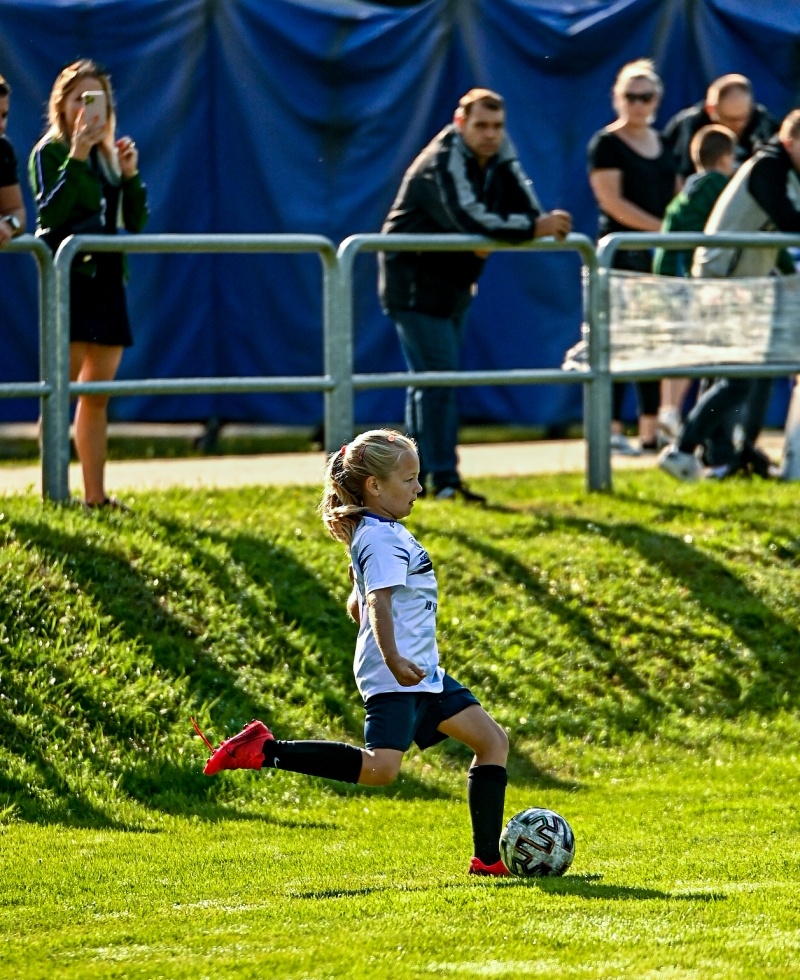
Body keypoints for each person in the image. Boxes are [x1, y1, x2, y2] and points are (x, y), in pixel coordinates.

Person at [195, 428, 514, 877]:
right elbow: (380, 603)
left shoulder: (378, 532)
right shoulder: (381, 537)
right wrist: (392, 658)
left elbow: (365, 600)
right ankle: (265, 750)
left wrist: (361, 597)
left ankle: (487, 861)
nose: (419, 488)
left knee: (492, 742)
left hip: (423, 672)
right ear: (375, 486)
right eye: (409, 480)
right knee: (381, 770)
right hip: (397, 674)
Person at [379, 88, 571, 501]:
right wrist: (522, 230)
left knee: (431, 385)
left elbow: (527, 208)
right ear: (460, 122)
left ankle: (420, 481)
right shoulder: (442, 159)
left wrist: (510, 227)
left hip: (455, 283)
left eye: (498, 127)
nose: (490, 135)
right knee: (440, 382)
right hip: (415, 283)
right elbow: (467, 218)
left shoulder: (499, 155)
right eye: (481, 125)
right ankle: (443, 480)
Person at [30, 59, 149, 508]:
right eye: (80, 99)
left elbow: (133, 222)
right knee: (60, 393)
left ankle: (95, 497)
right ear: (61, 106)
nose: (89, 109)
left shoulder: (108, 153)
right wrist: (77, 153)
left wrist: (130, 176)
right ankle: (54, 494)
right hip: (70, 280)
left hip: (107, 283)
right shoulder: (51, 152)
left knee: (96, 398)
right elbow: (51, 215)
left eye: (96, 99)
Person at [659, 110, 800, 483]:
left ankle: (720, 455)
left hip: (743, 281)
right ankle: (682, 450)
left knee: (735, 376)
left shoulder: (784, 168)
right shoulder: (769, 167)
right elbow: (789, 219)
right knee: (738, 379)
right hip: (724, 281)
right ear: (790, 142)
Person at [588, 59, 679, 455]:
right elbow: (611, 200)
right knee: (616, 343)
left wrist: (673, 232)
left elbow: (676, 196)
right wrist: (662, 230)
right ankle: (610, 430)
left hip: (657, 259)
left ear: (656, 99)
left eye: (645, 96)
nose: (638, 104)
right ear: (617, 98)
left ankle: (649, 430)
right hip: (620, 256)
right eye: (630, 96)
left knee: (653, 341)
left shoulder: (664, 143)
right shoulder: (606, 143)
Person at [652, 125, 737, 441]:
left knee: (680, 344)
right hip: (682, 271)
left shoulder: (691, 184)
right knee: (689, 345)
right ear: (726, 157)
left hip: (669, 267)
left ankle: (668, 412)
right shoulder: (716, 184)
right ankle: (672, 414)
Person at [662, 75, 779, 183]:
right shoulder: (688, 126)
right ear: (710, 109)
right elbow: (673, 172)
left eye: (744, 117)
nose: (739, 124)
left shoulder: (763, 122)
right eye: (731, 119)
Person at [0, 74, 26, 247]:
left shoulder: (3, 149)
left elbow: (17, 211)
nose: (1, 124)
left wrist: (9, 224)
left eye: (4, 115)